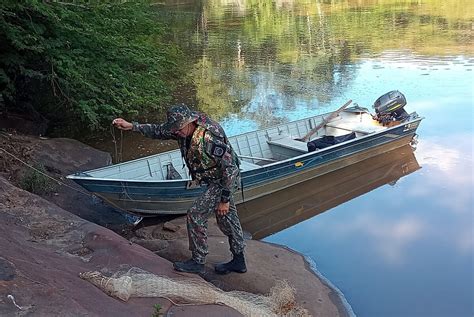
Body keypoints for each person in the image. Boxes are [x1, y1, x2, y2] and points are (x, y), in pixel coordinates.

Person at [112, 104, 246, 275]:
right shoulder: (182, 129)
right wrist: (132, 126)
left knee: (196, 214)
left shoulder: (209, 138)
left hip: (223, 180)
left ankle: (198, 261)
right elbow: (159, 131)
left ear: (190, 122)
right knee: (227, 219)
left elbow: (231, 169)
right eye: (174, 129)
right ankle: (239, 261)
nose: (176, 133)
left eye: (179, 129)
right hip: (215, 179)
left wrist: (224, 200)